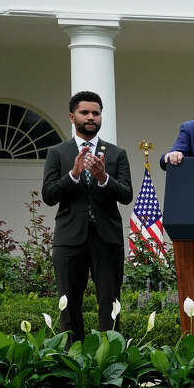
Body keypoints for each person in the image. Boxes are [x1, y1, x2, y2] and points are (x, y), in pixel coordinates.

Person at [41, 90, 133, 343]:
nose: (91, 117)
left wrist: (104, 178)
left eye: (96, 113)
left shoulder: (116, 154)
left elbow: (126, 195)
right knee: (68, 303)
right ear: (73, 117)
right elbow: (48, 195)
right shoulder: (58, 153)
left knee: (110, 302)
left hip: (107, 238)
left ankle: (110, 359)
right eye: (85, 112)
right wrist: (72, 174)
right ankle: (72, 359)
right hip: (70, 238)